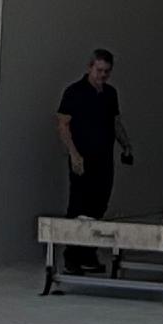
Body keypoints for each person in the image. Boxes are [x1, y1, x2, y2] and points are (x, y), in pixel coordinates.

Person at [54, 49, 135, 230]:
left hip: (104, 157)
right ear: (90, 67)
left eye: (107, 71)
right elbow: (63, 125)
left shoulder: (110, 94)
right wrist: (73, 154)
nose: (103, 75)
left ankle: (90, 250)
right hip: (82, 156)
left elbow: (115, 122)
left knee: (101, 199)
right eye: (99, 70)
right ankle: (74, 252)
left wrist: (126, 145)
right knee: (80, 203)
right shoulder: (74, 92)